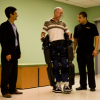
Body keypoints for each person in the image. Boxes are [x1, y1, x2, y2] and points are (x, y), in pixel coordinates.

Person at [41, 7, 72, 93]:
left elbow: (67, 32)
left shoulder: (63, 23)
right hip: (53, 47)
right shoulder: (47, 22)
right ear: (56, 13)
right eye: (60, 13)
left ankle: (66, 83)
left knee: (64, 64)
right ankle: (57, 84)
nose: (61, 15)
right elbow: (43, 32)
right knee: (55, 66)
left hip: (62, 46)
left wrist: (69, 35)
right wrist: (42, 37)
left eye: (62, 13)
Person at [73, 12, 99, 91]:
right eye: (78, 17)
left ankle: (92, 86)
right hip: (80, 52)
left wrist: (95, 50)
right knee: (81, 69)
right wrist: (73, 49)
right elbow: (75, 40)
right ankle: (83, 85)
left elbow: (96, 38)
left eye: (80, 17)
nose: (78, 19)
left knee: (90, 69)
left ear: (85, 18)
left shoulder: (92, 26)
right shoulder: (76, 27)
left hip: (89, 51)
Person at [0, 6, 22, 98]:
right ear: (11, 14)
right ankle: (5, 91)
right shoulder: (4, 26)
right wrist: (7, 53)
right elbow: (3, 41)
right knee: (6, 72)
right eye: (16, 13)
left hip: (15, 51)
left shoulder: (14, 26)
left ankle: (12, 89)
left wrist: (19, 51)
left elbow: (17, 40)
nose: (17, 15)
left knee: (14, 72)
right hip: (8, 52)